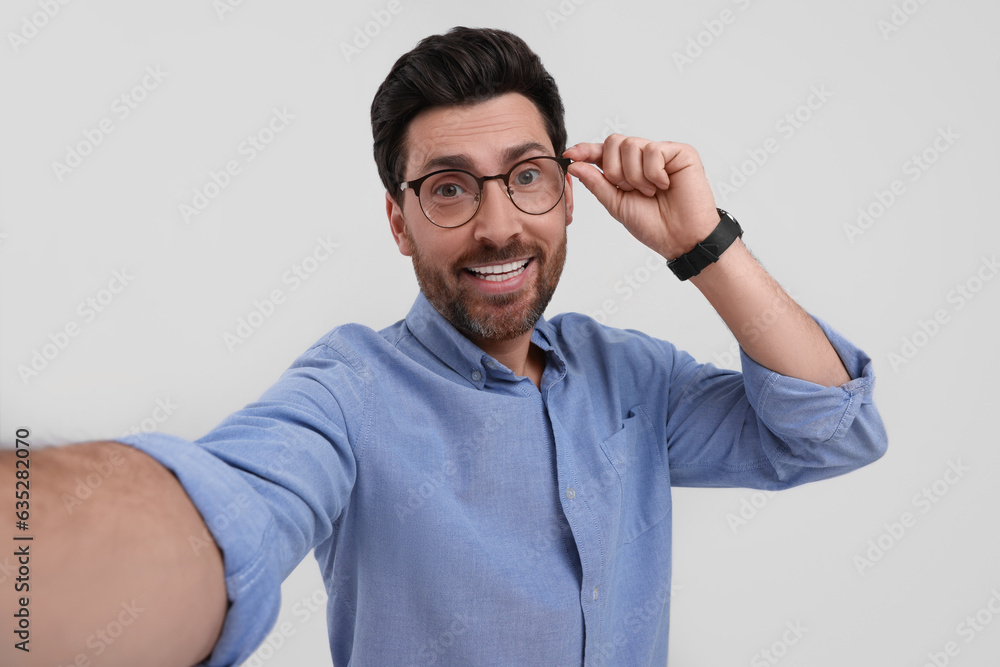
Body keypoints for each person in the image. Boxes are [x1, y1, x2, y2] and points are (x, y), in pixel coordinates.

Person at [1, 26, 887, 667]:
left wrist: (702, 244)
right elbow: (229, 510)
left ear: (571, 196)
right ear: (400, 221)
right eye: (452, 189)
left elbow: (827, 430)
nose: (499, 227)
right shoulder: (347, 390)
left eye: (527, 178)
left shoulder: (632, 377)